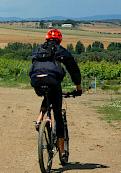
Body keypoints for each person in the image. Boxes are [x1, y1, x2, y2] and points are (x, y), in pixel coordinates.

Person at [29, 29, 82, 165]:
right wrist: (78, 87)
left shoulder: (38, 49)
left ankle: (39, 118)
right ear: (59, 40)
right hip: (53, 81)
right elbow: (72, 67)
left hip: (35, 80)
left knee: (46, 96)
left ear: (46, 39)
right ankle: (63, 152)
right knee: (57, 113)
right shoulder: (60, 50)